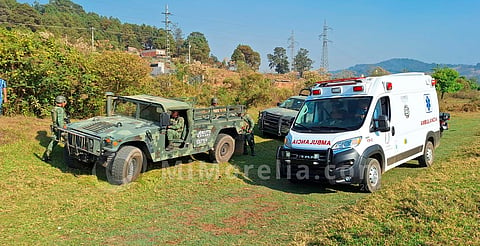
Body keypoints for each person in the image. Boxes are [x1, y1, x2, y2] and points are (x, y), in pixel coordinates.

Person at [42, 95, 68, 162]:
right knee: (68, 140)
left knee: (54, 141)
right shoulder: (60, 110)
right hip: (59, 128)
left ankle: (47, 155)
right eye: (64, 102)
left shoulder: (54, 108)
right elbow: (60, 121)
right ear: (62, 102)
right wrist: (64, 129)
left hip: (55, 127)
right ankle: (70, 156)